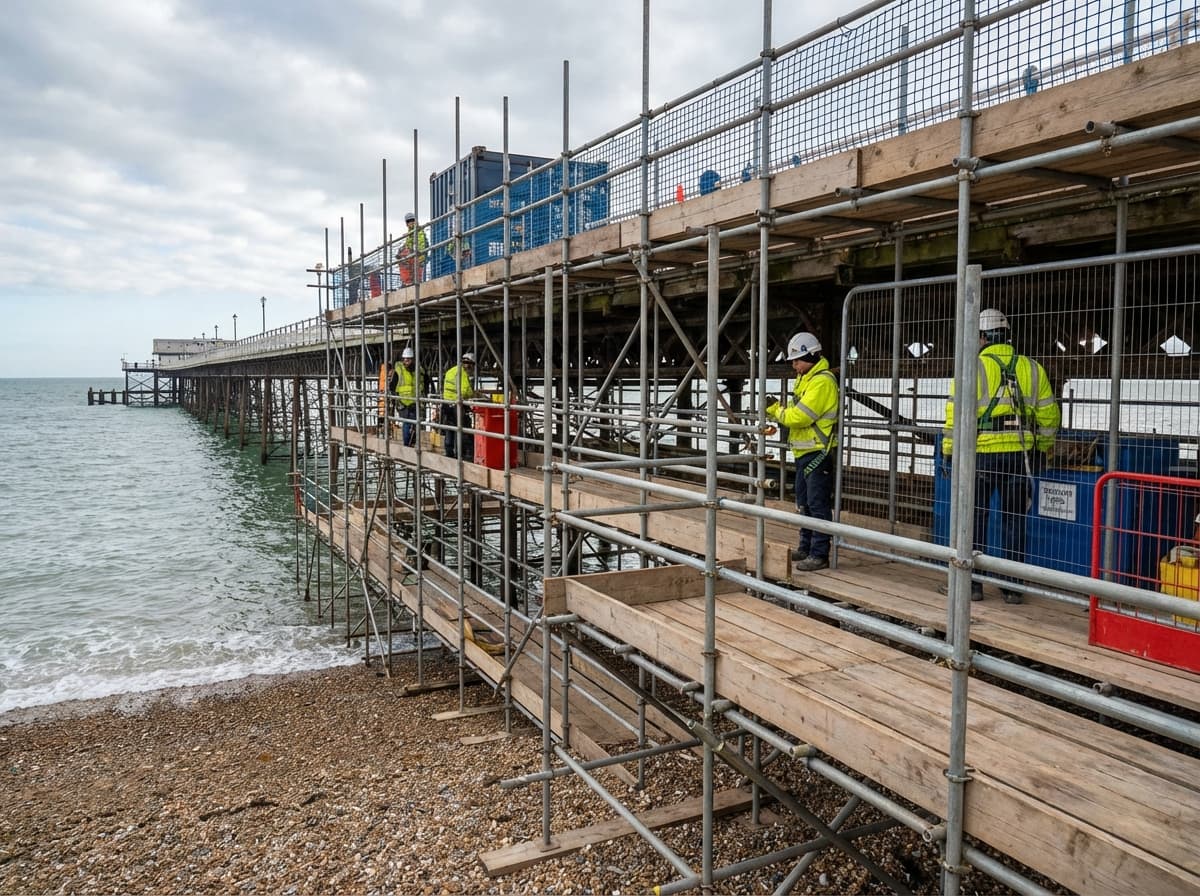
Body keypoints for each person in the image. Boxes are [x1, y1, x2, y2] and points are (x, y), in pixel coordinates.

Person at [943, 308, 1060, 603]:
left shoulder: (972, 368)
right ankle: (1012, 587)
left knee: (974, 517)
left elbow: (955, 417)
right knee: (1014, 519)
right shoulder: (1033, 368)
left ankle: (972, 584)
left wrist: (948, 452)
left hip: (981, 455)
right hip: (1021, 456)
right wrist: (1041, 450)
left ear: (981, 337)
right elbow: (1049, 416)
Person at [766, 332, 840, 572]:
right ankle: (806, 547)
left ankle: (819, 554)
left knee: (817, 504)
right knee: (804, 503)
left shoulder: (822, 382)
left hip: (818, 452)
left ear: (811, 355)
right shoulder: (807, 378)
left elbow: (800, 417)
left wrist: (776, 411)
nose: (794, 365)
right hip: (805, 452)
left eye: (797, 360)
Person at [442, 352, 476, 461]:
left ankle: (449, 452)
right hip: (455, 405)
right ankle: (461, 454)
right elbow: (465, 391)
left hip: (446, 403)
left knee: (449, 428)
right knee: (462, 429)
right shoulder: (462, 373)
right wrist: (475, 394)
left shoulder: (451, 371)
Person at [387, 346, 424, 447]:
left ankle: (412, 442)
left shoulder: (419, 370)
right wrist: (395, 399)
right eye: (404, 359)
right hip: (403, 402)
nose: (406, 362)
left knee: (416, 423)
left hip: (415, 401)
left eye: (408, 360)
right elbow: (392, 386)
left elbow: (424, 382)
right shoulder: (399, 370)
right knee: (407, 423)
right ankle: (407, 445)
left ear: (412, 360)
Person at [397, 212, 428, 286]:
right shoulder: (410, 234)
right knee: (408, 266)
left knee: (416, 273)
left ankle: (409, 282)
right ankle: (408, 282)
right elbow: (408, 245)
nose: (410, 222)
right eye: (408, 221)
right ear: (406, 223)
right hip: (414, 256)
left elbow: (421, 244)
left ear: (415, 221)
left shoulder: (419, 231)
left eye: (412, 220)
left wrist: (416, 253)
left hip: (418, 257)